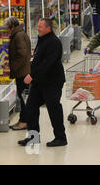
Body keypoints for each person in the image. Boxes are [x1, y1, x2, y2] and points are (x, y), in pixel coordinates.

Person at [18, 18, 67, 147]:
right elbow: (39, 59)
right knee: (31, 107)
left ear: (48, 28)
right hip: (40, 81)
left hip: (53, 81)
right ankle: (33, 137)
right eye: (38, 26)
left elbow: (48, 64)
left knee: (53, 107)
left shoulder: (54, 42)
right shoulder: (42, 39)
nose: (38, 29)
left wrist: (32, 75)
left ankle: (61, 137)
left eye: (40, 27)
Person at [5, 17, 31, 131]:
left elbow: (23, 54)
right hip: (23, 71)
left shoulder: (19, 36)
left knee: (23, 98)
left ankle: (24, 122)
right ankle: (22, 120)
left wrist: (14, 66)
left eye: (7, 28)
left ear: (12, 27)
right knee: (23, 98)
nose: (7, 30)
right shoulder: (19, 34)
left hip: (22, 73)